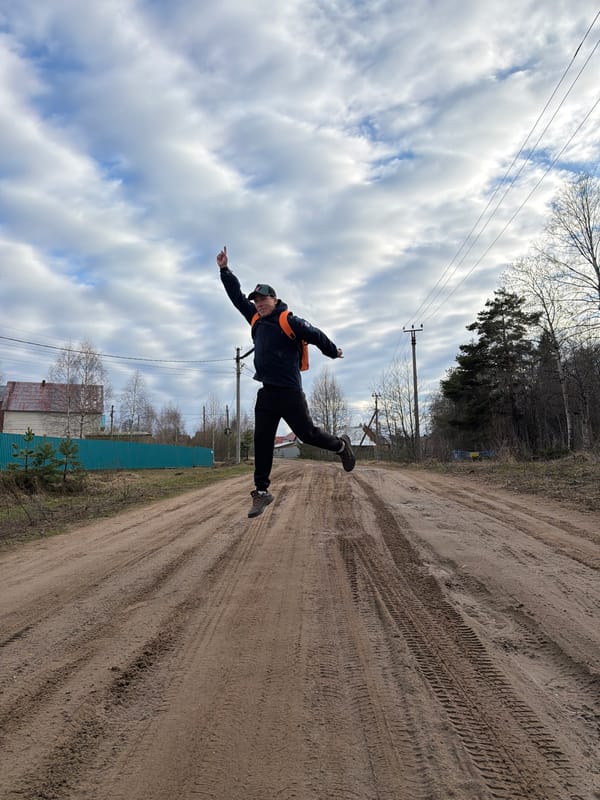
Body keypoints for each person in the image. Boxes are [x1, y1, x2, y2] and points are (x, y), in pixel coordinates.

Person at [217, 246, 355, 518]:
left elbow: (315, 335)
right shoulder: (255, 318)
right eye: (256, 300)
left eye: (263, 299)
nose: (258, 303)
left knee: (308, 434)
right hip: (267, 393)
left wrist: (333, 350)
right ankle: (261, 491)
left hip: (290, 392)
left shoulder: (287, 319)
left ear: (274, 298)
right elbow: (235, 296)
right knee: (262, 439)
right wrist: (224, 270)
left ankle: (341, 446)